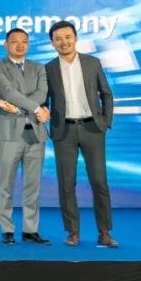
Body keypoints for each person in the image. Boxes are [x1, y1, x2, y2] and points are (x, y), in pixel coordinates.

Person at [45, 20, 118, 248]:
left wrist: (105, 121)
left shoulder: (92, 62)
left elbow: (106, 93)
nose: (64, 42)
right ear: (52, 43)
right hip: (63, 131)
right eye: (58, 39)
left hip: (92, 129)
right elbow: (42, 102)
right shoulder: (47, 69)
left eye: (68, 37)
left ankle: (104, 232)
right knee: (66, 184)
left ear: (75, 38)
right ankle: (73, 232)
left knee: (99, 181)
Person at [0, 28, 51, 245]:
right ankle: (7, 229)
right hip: (8, 134)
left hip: (36, 132)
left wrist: (25, 106)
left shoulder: (39, 67)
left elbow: (42, 93)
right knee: (5, 184)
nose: (20, 45)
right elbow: (8, 93)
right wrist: (36, 108)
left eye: (24, 41)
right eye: (14, 41)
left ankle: (30, 230)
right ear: (6, 44)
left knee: (33, 185)